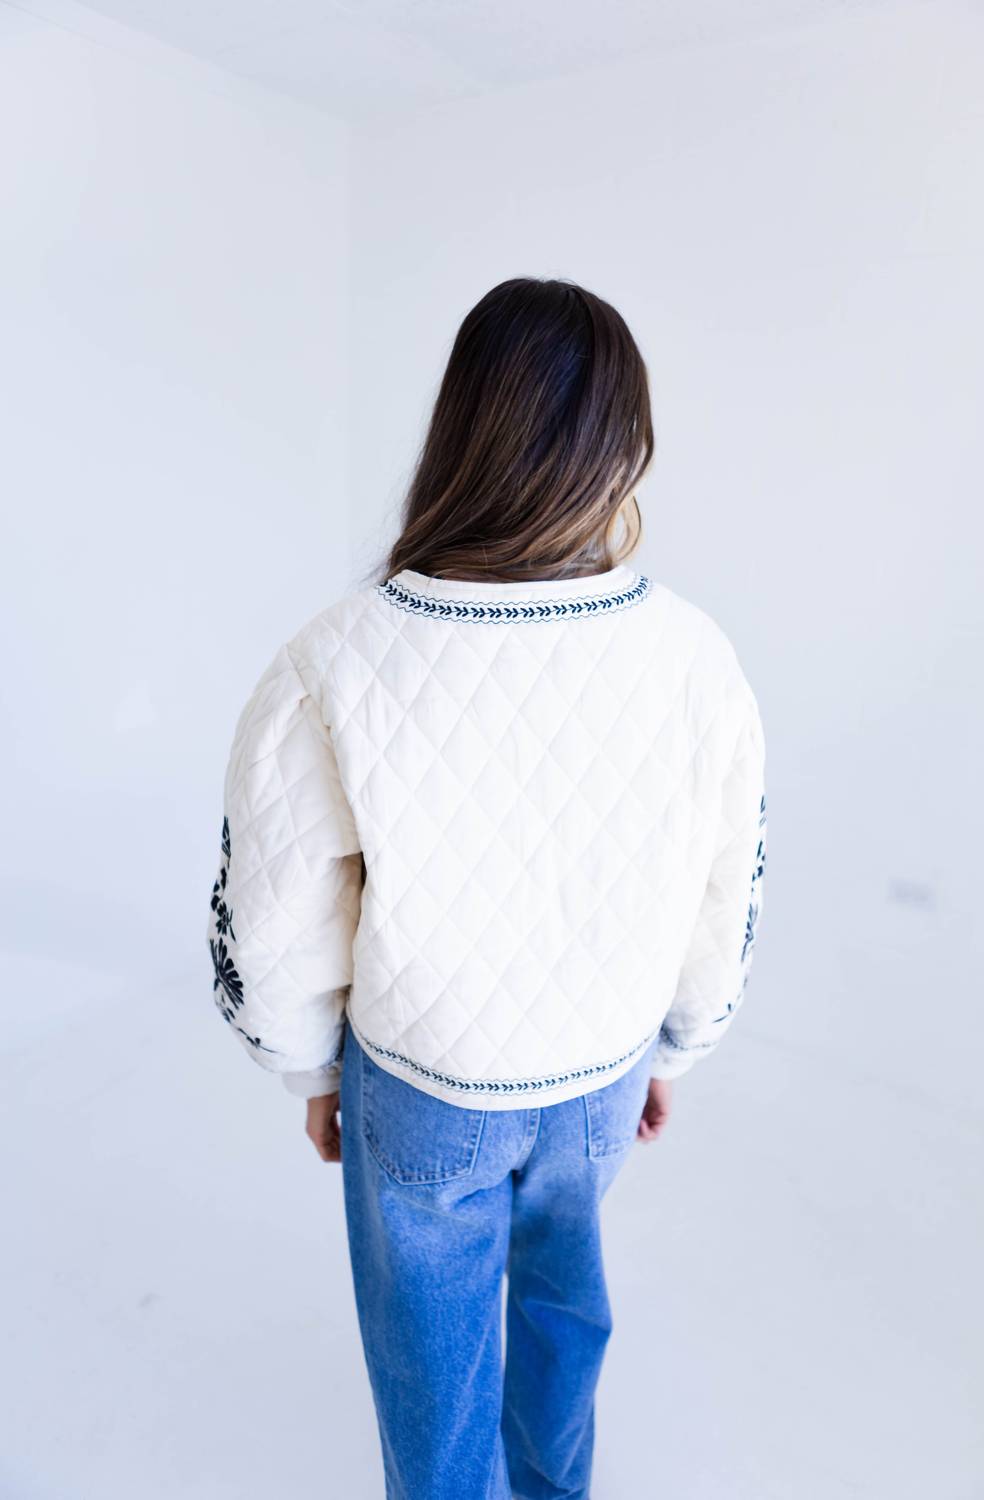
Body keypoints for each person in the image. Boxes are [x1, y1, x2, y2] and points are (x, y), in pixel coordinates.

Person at [206, 276, 767, 1500]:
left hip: (423, 1082)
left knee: (431, 1368)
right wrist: (678, 1041)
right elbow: (722, 882)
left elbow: (277, 907)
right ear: (624, 447)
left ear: (462, 428)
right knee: (567, 1308)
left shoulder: (336, 656)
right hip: (601, 1075)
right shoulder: (692, 654)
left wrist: (310, 1074)